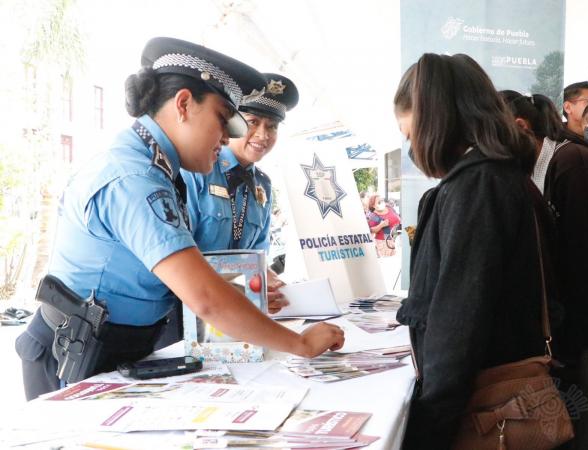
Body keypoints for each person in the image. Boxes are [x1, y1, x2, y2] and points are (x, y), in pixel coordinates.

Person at [15, 37, 344, 401]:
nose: (226, 138)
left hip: (125, 350)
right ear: (184, 104)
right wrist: (298, 343)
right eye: (223, 120)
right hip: (77, 355)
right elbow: (205, 296)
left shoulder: (158, 169)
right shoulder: (134, 178)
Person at [394, 53, 551, 449]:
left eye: (410, 135)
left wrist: (428, 428)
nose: (412, 147)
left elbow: (459, 323)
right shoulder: (495, 176)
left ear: (435, 119)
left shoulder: (478, 187)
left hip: (484, 411)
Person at [502, 91, 588, 444]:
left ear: (519, 127)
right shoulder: (534, 171)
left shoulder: (571, 163)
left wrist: (570, 339)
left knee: (587, 429)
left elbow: (586, 259)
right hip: (565, 334)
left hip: (584, 337)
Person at [181, 73, 299, 315]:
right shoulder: (197, 170)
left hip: (234, 313)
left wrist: (271, 283)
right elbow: (181, 257)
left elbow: (257, 256)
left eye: (272, 126)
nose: (263, 135)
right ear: (231, 123)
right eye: (253, 122)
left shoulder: (262, 186)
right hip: (186, 309)